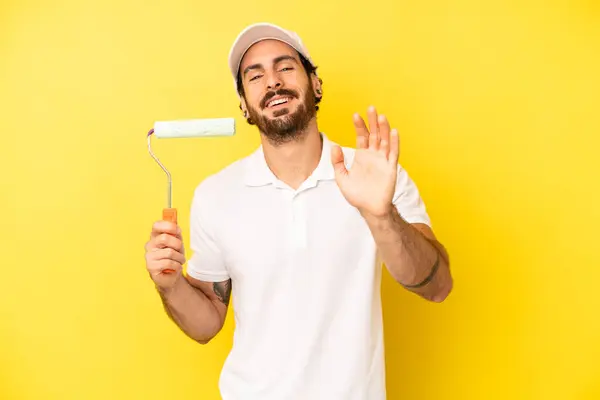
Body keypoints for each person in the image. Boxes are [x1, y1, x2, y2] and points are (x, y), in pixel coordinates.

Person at [144, 22, 453, 400]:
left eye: (285, 67)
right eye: (254, 76)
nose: (272, 82)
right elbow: (207, 324)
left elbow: (437, 287)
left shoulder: (376, 174)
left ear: (315, 83)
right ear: (243, 104)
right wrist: (171, 284)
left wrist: (380, 215)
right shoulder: (216, 195)